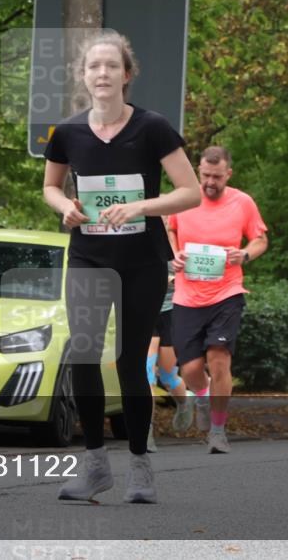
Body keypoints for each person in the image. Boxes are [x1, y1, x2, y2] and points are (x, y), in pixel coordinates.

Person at [43, 30, 201, 504]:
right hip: (89, 256)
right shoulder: (67, 133)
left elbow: (189, 191)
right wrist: (63, 207)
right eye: (94, 66)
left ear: (126, 75)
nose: (103, 74)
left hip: (142, 261)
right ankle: (94, 464)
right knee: (83, 354)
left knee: (132, 362)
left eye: (112, 66)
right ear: (84, 76)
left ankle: (139, 466)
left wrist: (141, 208)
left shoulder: (152, 128)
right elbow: (50, 187)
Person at [167, 146, 269, 454]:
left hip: (226, 293)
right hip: (187, 295)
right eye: (206, 175)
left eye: (217, 176)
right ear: (198, 171)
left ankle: (218, 430)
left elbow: (261, 239)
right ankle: (202, 393)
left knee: (219, 358)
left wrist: (245, 254)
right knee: (190, 370)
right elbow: (168, 229)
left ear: (229, 174)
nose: (210, 182)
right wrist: (175, 256)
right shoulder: (183, 199)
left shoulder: (243, 203)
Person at [146, 257, 191, 453]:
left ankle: (184, 403)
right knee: (146, 376)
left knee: (167, 377)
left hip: (170, 312)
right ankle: (145, 432)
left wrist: (171, 279)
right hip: (143, 312)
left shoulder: (179, 242)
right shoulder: (134, 236)